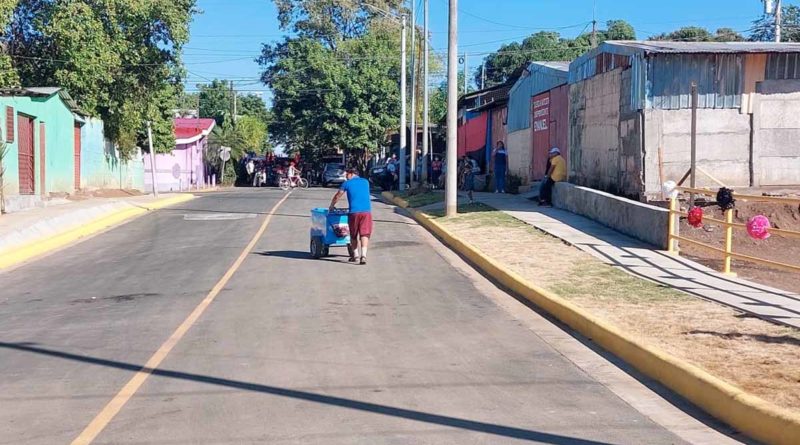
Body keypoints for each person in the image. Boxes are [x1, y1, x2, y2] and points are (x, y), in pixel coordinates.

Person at [330, 168, 373, 265]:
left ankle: (356, 256)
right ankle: (364, 256)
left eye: (346, 174)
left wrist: (331, 206)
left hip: (354, 212)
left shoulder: (347, 183)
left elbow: (338, 195)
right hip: (366, 212)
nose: (345, 176)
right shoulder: (366, 182)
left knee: (353, 235)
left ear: (351, 174)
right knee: (364, 234)